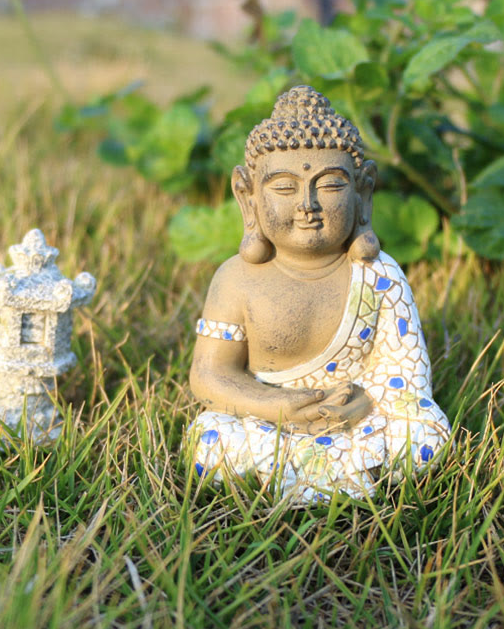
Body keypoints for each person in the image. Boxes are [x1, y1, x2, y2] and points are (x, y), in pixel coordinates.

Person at [186, 86, 449, 501]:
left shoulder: (380, 276)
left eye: (328, 186)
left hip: (355, 419)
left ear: (363, 192)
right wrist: (281, 407)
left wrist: (361, 402)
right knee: (214, 438)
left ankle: (295, 481)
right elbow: (209, 376)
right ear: (248, 197)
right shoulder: (235, 279)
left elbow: (409, 383)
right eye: (285, 189)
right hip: (265, 420)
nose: (307, 205)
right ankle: (345, 479)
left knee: (424, 430)